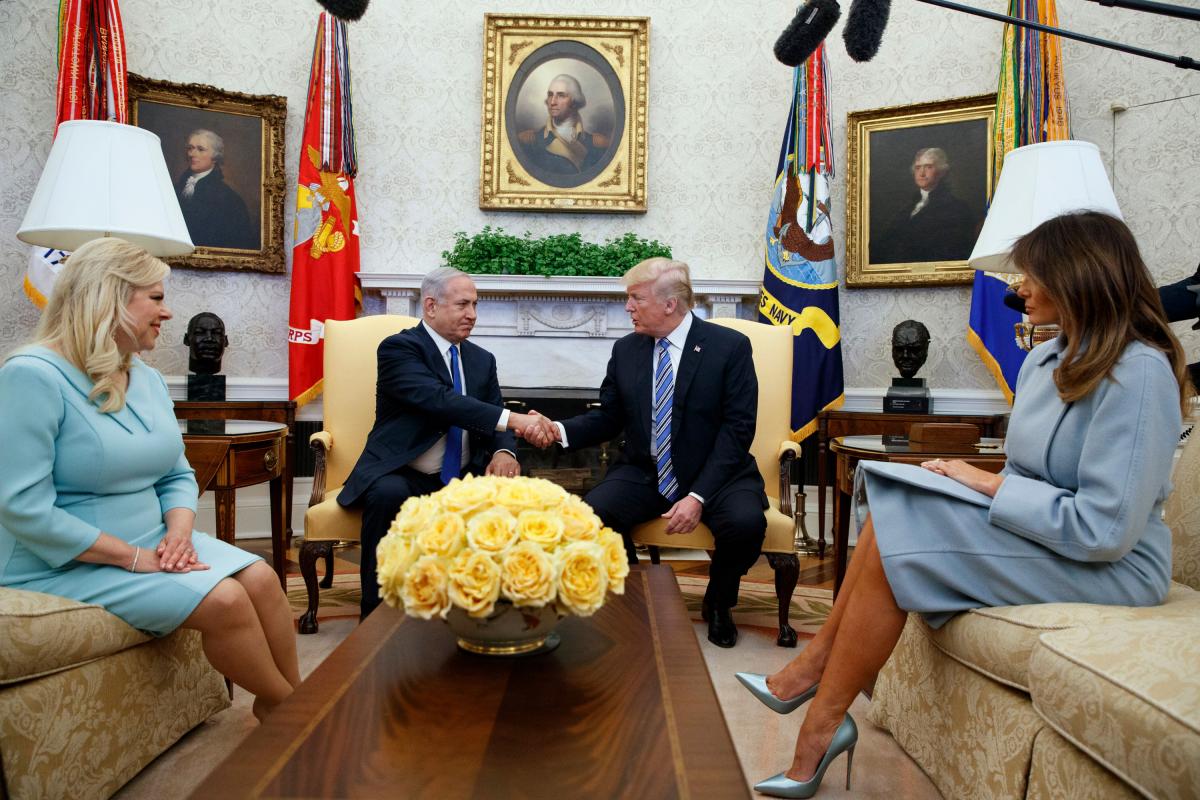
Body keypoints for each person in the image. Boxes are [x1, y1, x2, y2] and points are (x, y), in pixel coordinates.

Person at [736, 211, 1190, 797]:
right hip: (1048, 537)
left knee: (898, 535)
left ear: (1079, 276)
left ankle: (819, 720)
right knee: (895, 502)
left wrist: (988, 485)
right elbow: (1027, 474)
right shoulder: (1045, 360)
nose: (1019, 286)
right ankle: (817, 673)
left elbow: (1105, 530)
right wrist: (965, 485)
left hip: (1115, 566)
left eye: (1033, 274)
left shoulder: (1140, 372)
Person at [0, 237, 299, 721]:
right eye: (156, 298)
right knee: (226, 600)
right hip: (62, 560)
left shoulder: (147, 378)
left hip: (154, 541)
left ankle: (290, 700)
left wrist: (179, 533)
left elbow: (176, 472)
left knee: (263, 578)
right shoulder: (31, 376)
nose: (168, 312)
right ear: (110, 298)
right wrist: (134, 558)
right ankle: (296, 716)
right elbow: (22, 508)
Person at [522, 258, 767, 648]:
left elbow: (737, 430)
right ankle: (637, 595)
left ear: (669, 304)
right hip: (646, 470)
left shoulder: (729, 347)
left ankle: (720, 601)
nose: (628, 307)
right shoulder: (627, 350)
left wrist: (698, 496)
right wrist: (558, 430)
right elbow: (609, 417)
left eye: (636, 298)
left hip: (718, 473)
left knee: (746, 524)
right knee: (594, 514)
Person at [338, 267, 544, 619]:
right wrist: (516, 419)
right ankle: (375, 615)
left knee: (514, 498)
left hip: (464, 473)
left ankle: (485, 608)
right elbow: (440, 400)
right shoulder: (400, 348)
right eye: (463, 304)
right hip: (404, 470)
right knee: (386, 494)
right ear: (431, 306)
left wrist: (504, 450)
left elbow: (491, 411)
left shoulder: (481, 359)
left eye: (475, 305)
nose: (472, 314)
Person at [870, 147, 978, 265]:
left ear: (942, 172)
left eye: (929, 167)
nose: (921, 173)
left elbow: (952, 251)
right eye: (917, 168)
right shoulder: (907, 208)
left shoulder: (957, 208)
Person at [175, 129, 257, 250]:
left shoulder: (229, 199)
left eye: (200, 149)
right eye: (190, 148)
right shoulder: (176, 187)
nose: (192, 154)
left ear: (215, 157)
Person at [516, 73, 610, 177]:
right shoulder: (529, 141)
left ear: (574, 101)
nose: (552, 102)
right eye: (550, 95)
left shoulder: (598, 144)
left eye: (561, 95)